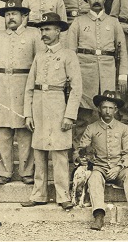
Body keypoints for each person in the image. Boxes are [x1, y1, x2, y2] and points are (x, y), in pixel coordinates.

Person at [21, 13, 82, 211]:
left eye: (48, 29)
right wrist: (28, 114)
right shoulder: (39, 56)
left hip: (58, 106)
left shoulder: (68, 55)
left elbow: (76, 88)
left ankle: (63, 196)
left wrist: (70, 115)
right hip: (38, 106)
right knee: (39, 151)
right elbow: (29, 87)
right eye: (42, 30)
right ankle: (39, 194)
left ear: (58, 31)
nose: (44, 33)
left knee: (59, 153)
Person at [0, 0, 43, 185]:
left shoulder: (34, 34)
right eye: (8, 14)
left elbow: (40, 63)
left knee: (25, 130)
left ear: (23, 16)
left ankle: (26, 172)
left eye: (14, 14)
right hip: (2, 87)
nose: (10, 17)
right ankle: (4, 171)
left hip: (24, 86)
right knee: (2, 131)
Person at [67, 0, 127, 147]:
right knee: (84, 114)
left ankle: (106, 149)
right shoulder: (79, 22)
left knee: (107, 110)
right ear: (87, 0)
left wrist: (122, 76)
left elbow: (122, 51)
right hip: (85, 72)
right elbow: (71, 52)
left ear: (105, 0)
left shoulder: (114, 22)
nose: (96, 1)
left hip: (107, 71)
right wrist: (71, 76)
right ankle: (80, 151)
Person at [77, 90, 128, 231]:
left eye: (111, 108)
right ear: (99, 109)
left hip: (118, 168)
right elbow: (80, 149)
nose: (107, 111)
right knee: (94, 177)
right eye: (104, 107)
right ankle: (98, 216)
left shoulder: (123, 128)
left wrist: (119, 167)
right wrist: (81, 158)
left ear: (116, 110)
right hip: (99, 167)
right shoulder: (91, 128)